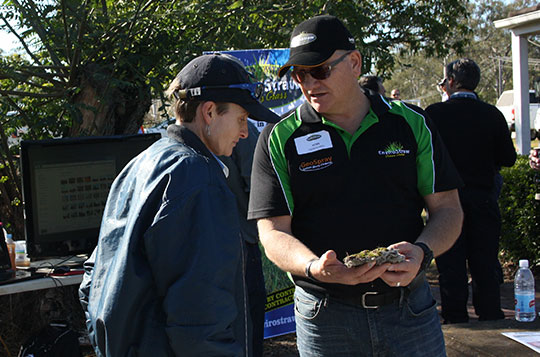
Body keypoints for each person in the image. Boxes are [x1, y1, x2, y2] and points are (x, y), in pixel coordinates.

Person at [248, 15, 463, 356]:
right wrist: (313, 266)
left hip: (409, 311)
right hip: (325, 315)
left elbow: (449, 210)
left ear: (354, 63)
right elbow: (272, 232)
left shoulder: (411, 124)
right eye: (299, 74)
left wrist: (421, 253)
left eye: (319, 70)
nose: (308, 83)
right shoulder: (279, 138)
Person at [78, 53, 279, 356]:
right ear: (209, 112)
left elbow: (92, 280)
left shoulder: (140, 163)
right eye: (240, 119)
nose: (243, 131)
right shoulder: (199, 179)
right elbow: (200, 319)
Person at [426, 58, 516, 324]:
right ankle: (490, 315)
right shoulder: (492, 114)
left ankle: (454, 316)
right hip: (483, 197)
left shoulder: (434, 114)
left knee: (450, 264)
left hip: (444, 201)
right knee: (485, 261)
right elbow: (508, 158)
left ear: (450, 82)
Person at [218, 120, 266, 357]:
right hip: (242, 248)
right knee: (247, 336)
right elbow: (259, 188)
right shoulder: (237, 129)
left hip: (215, 247)